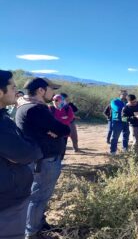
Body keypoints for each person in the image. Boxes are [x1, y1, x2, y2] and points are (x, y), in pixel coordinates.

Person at [15, 77, 70, 238]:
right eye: (51, 89)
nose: (54, 93)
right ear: (41, 90)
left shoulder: (26, 105)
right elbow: (62, 129)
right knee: (38, 197)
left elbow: (55, 129)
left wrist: (54, 131)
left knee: (39, 196)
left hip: (39, 159)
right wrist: (56, 131)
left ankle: (39, 224)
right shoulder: (35, 109)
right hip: (44, 161)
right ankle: (32, 232)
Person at [0, 70, 42, 239]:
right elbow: (27, 153)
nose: (16, 91)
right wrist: (31, 147)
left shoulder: (3, 118)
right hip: (7, 203)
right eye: (13, 87)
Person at [49, 94, 75, 160]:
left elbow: (70, 118)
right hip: (53, 132)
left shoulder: (67, 108)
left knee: (62, 147)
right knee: (52, 146)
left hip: (64, 132)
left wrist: (57, 119)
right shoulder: (50, 108)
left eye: (57, 100)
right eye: (53, 100)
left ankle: (60, 161)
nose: (55, 101)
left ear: (62, 100)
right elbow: (49, 119)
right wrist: (62, 118)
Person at [109, 90, 130, 155]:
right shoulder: (114, 101)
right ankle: (113, 151)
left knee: (126, 136)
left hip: (125, 120)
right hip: (117, 121)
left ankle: (125, 149)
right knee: (115, 137)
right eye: (124, 94)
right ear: (120, 95)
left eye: (126, 94)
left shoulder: (127, 102)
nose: (125, 96)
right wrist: (127, 106)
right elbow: (118, 109)